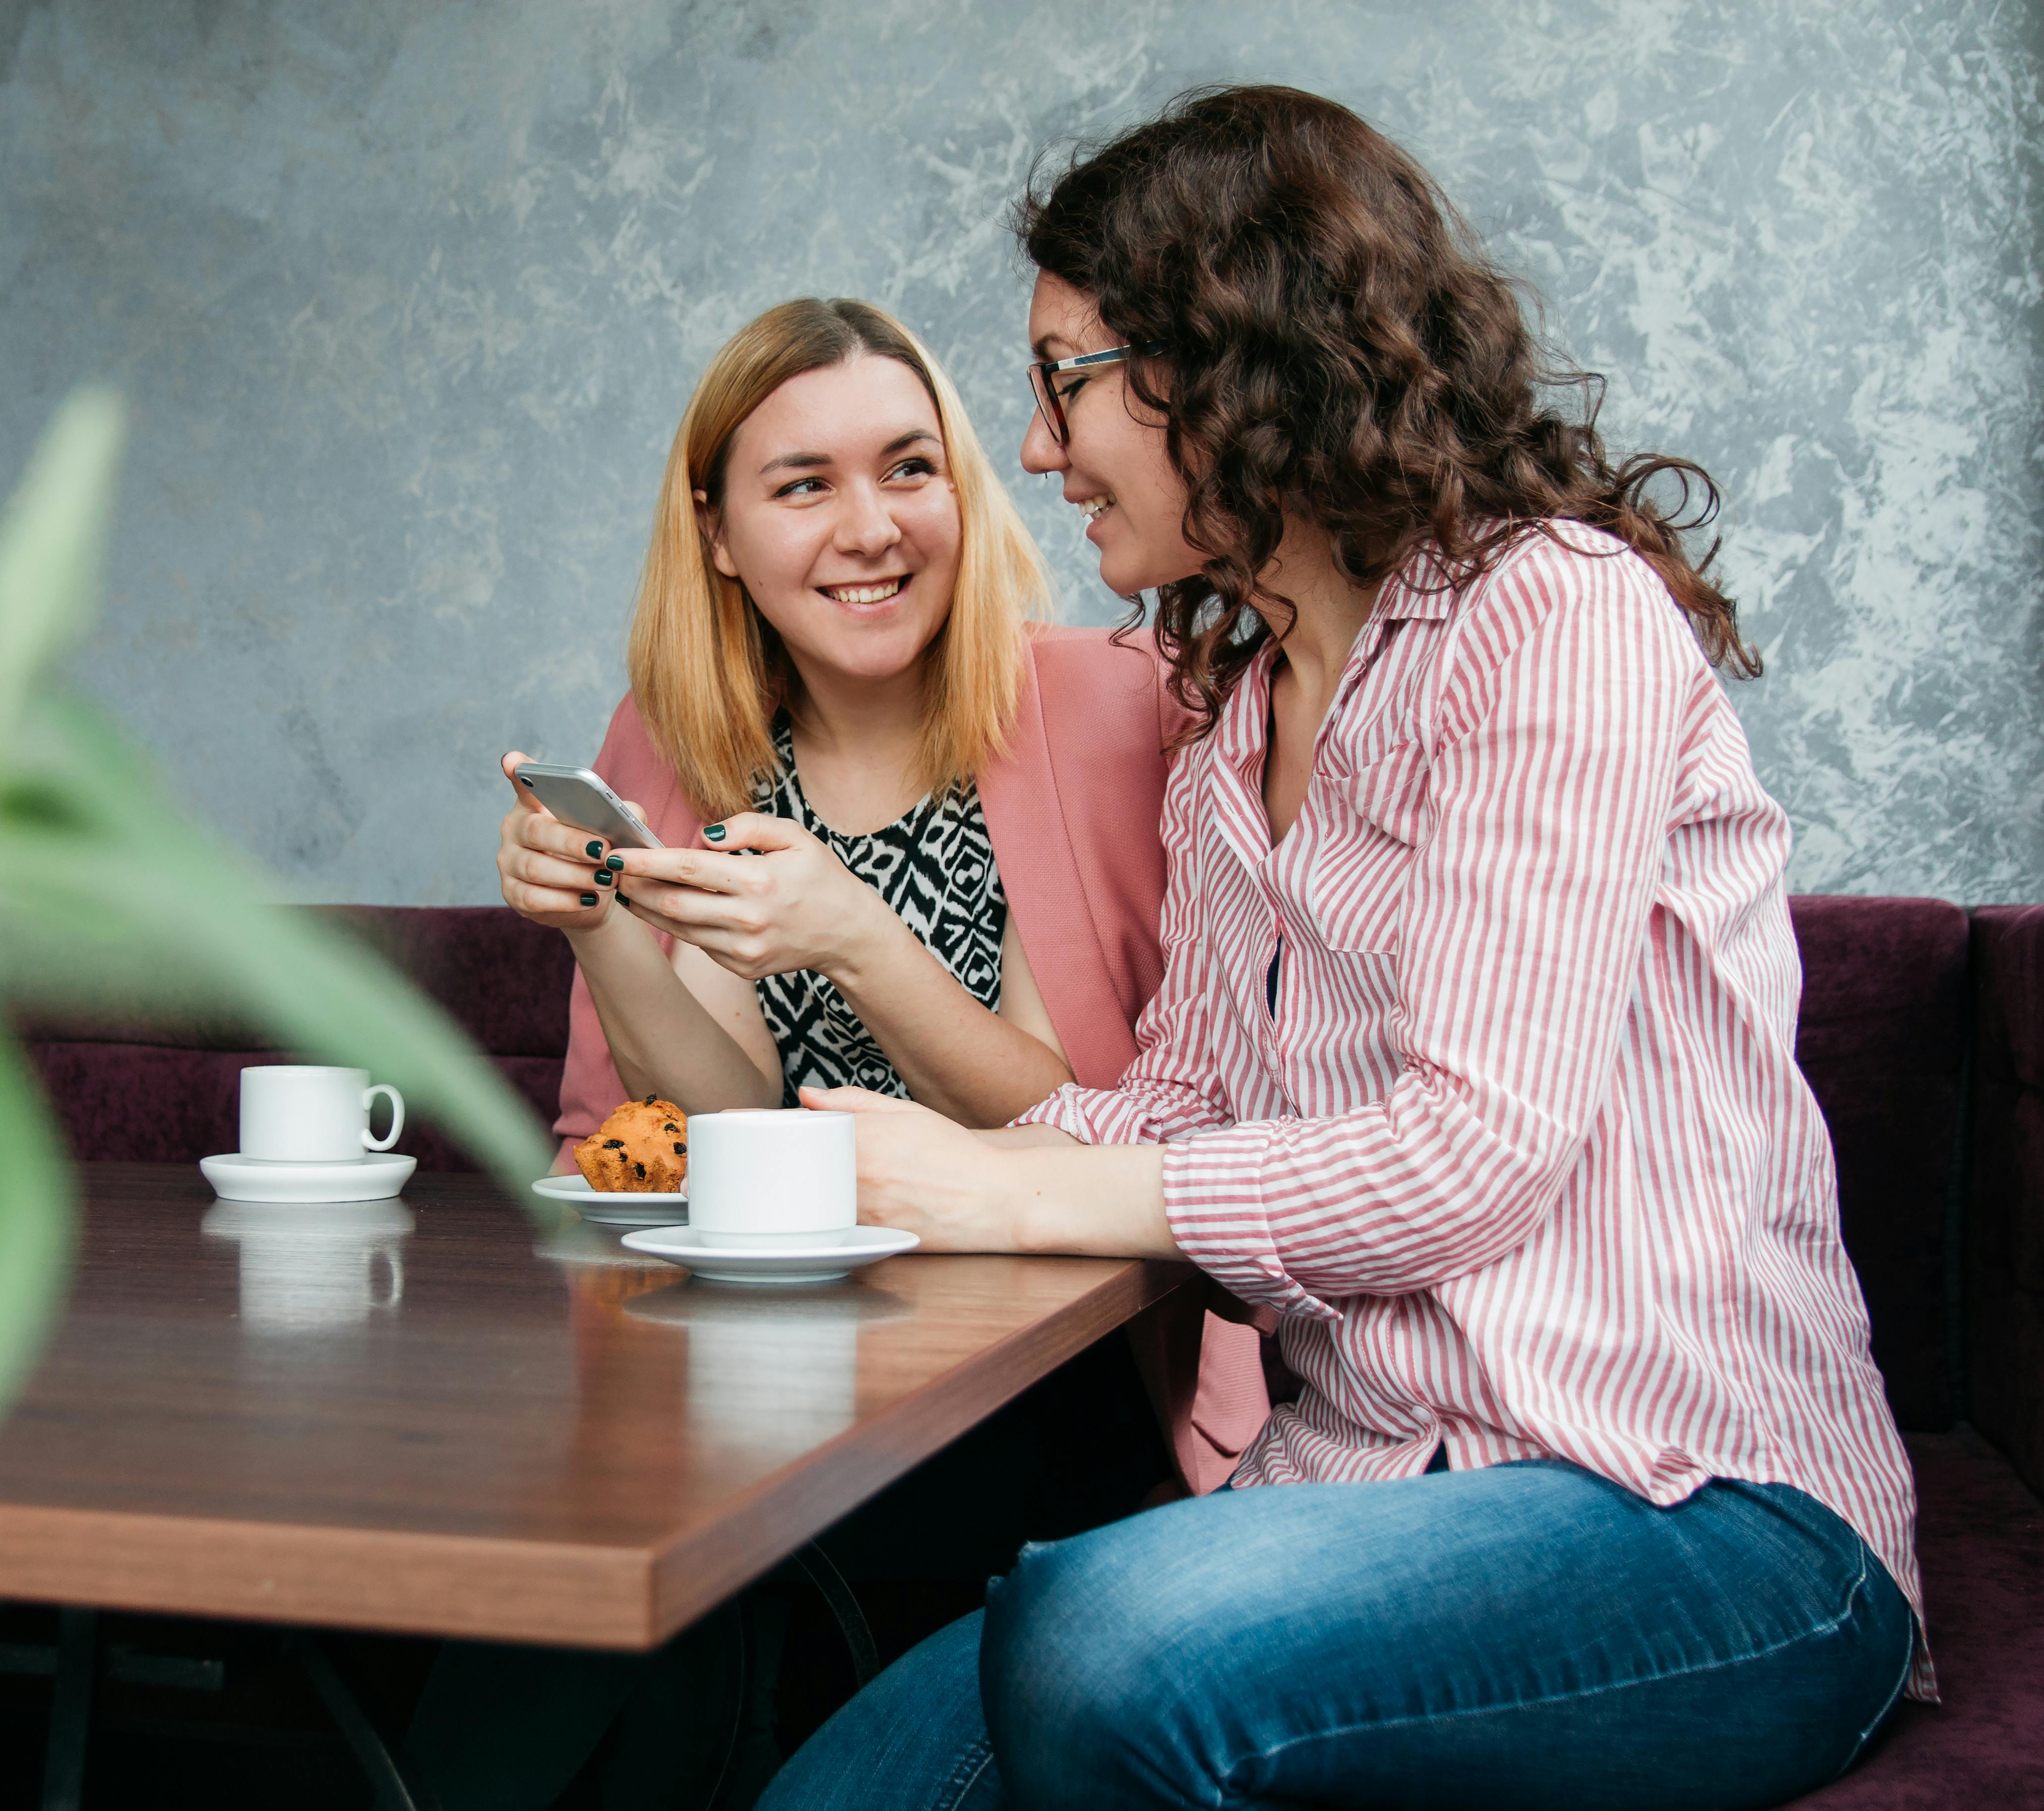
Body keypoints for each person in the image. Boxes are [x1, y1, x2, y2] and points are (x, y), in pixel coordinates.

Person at [761, 86, 1927, 1811]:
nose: (1032, 446)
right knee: (828, 1790)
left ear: (1234, 358)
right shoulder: (1236, 729)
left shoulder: (1552, 613)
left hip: (1703, 1512)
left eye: (1066, 377)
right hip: (1356, 1483)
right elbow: (1186, 1109)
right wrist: (884, 1165)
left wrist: (996, 1190)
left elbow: (1470, 1153)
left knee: (1104, 1639)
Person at [496, 296, 1268, 1489]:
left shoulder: (1120, 705)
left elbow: (1076, 1132)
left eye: (911, 470)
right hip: (759, 1357)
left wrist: (857, 938)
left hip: (1059, 1376)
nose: (873, 531)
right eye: (804, 486)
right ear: (717, 535)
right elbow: (730, 1120)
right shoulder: (673, 741)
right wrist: (600, 928)